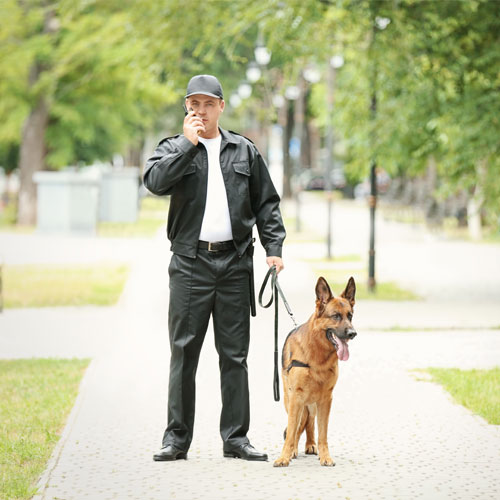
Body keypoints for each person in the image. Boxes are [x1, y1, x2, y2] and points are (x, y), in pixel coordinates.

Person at [143, 74, 286, 462]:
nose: (201, 111)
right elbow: (154, 183)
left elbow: (266, 204)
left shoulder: (244, 150)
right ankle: (176, 439)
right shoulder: (173, 148)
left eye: (208, 104)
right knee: (184, 353)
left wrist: (273, 248)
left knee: (235, 355)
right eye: (194, 104)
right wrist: (189, 146)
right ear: (186, 108)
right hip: (190, 264)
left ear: (221, 106)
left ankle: (236, 438)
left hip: (236, 264)